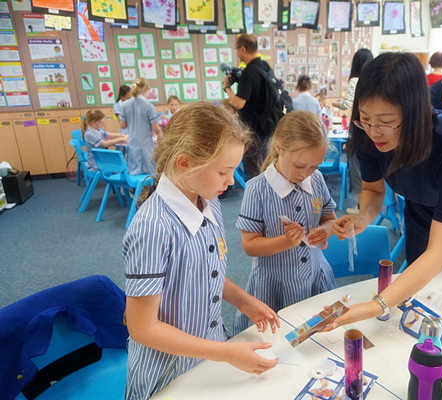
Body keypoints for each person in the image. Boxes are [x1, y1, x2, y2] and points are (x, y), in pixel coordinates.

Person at [324, 53, 442, 331]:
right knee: (419, 298)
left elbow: (440, 253)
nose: (374, 131)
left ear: (415, 113)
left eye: (386, 121)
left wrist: (377, 305)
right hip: (421, 208)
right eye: (365, 118)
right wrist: (364, 216)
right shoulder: (369, 134)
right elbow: (373, 189)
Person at [123, 102, 281, 400]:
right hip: (167, 372)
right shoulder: (153, 228)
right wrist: (225, 352)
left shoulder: (209, 201)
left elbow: (204, 272)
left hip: (208, 357)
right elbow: (142, 327)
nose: (231, 181)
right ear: (185, 163)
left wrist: (244, 301)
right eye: (223, 171)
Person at [233, 111, 337, 333]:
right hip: (274, 286)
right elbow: (249, 245)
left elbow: (329, 218)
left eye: (314, 166)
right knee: (277, 339)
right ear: (279, 148)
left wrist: (325, 231)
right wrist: (286, 242)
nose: (305, 173)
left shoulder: (316, 179)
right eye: (300, 165)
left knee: (317, 335)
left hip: (314, 278)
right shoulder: (257, 189)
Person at [222, 34, 281, 180]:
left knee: (255, 173)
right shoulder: (266, 67)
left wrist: (227, 87)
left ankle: (258, 200)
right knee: (267, 169)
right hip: (269, 127)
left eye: (236, 49)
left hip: (254, 130)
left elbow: (238, 103)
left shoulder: (249, 72)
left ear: (242, 49)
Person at [332, 48, 374, 215]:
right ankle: (371, 206)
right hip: (375, 129)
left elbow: (348, 104)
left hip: (359, 129)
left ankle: (361, 208)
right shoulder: (376, 80)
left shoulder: (356, 81)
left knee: (357, 168)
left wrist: (337, 105)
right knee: (372, 169)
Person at [120, 77, 162, 175]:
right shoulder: (148, 106)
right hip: (146, 145)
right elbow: (156, 128)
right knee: (150, 172)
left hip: (132, 144)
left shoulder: (125, 105)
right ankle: (148, 189)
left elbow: (123, 125)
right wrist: (160, 136)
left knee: (134, 171)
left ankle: (136, 190)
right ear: (147, 89)